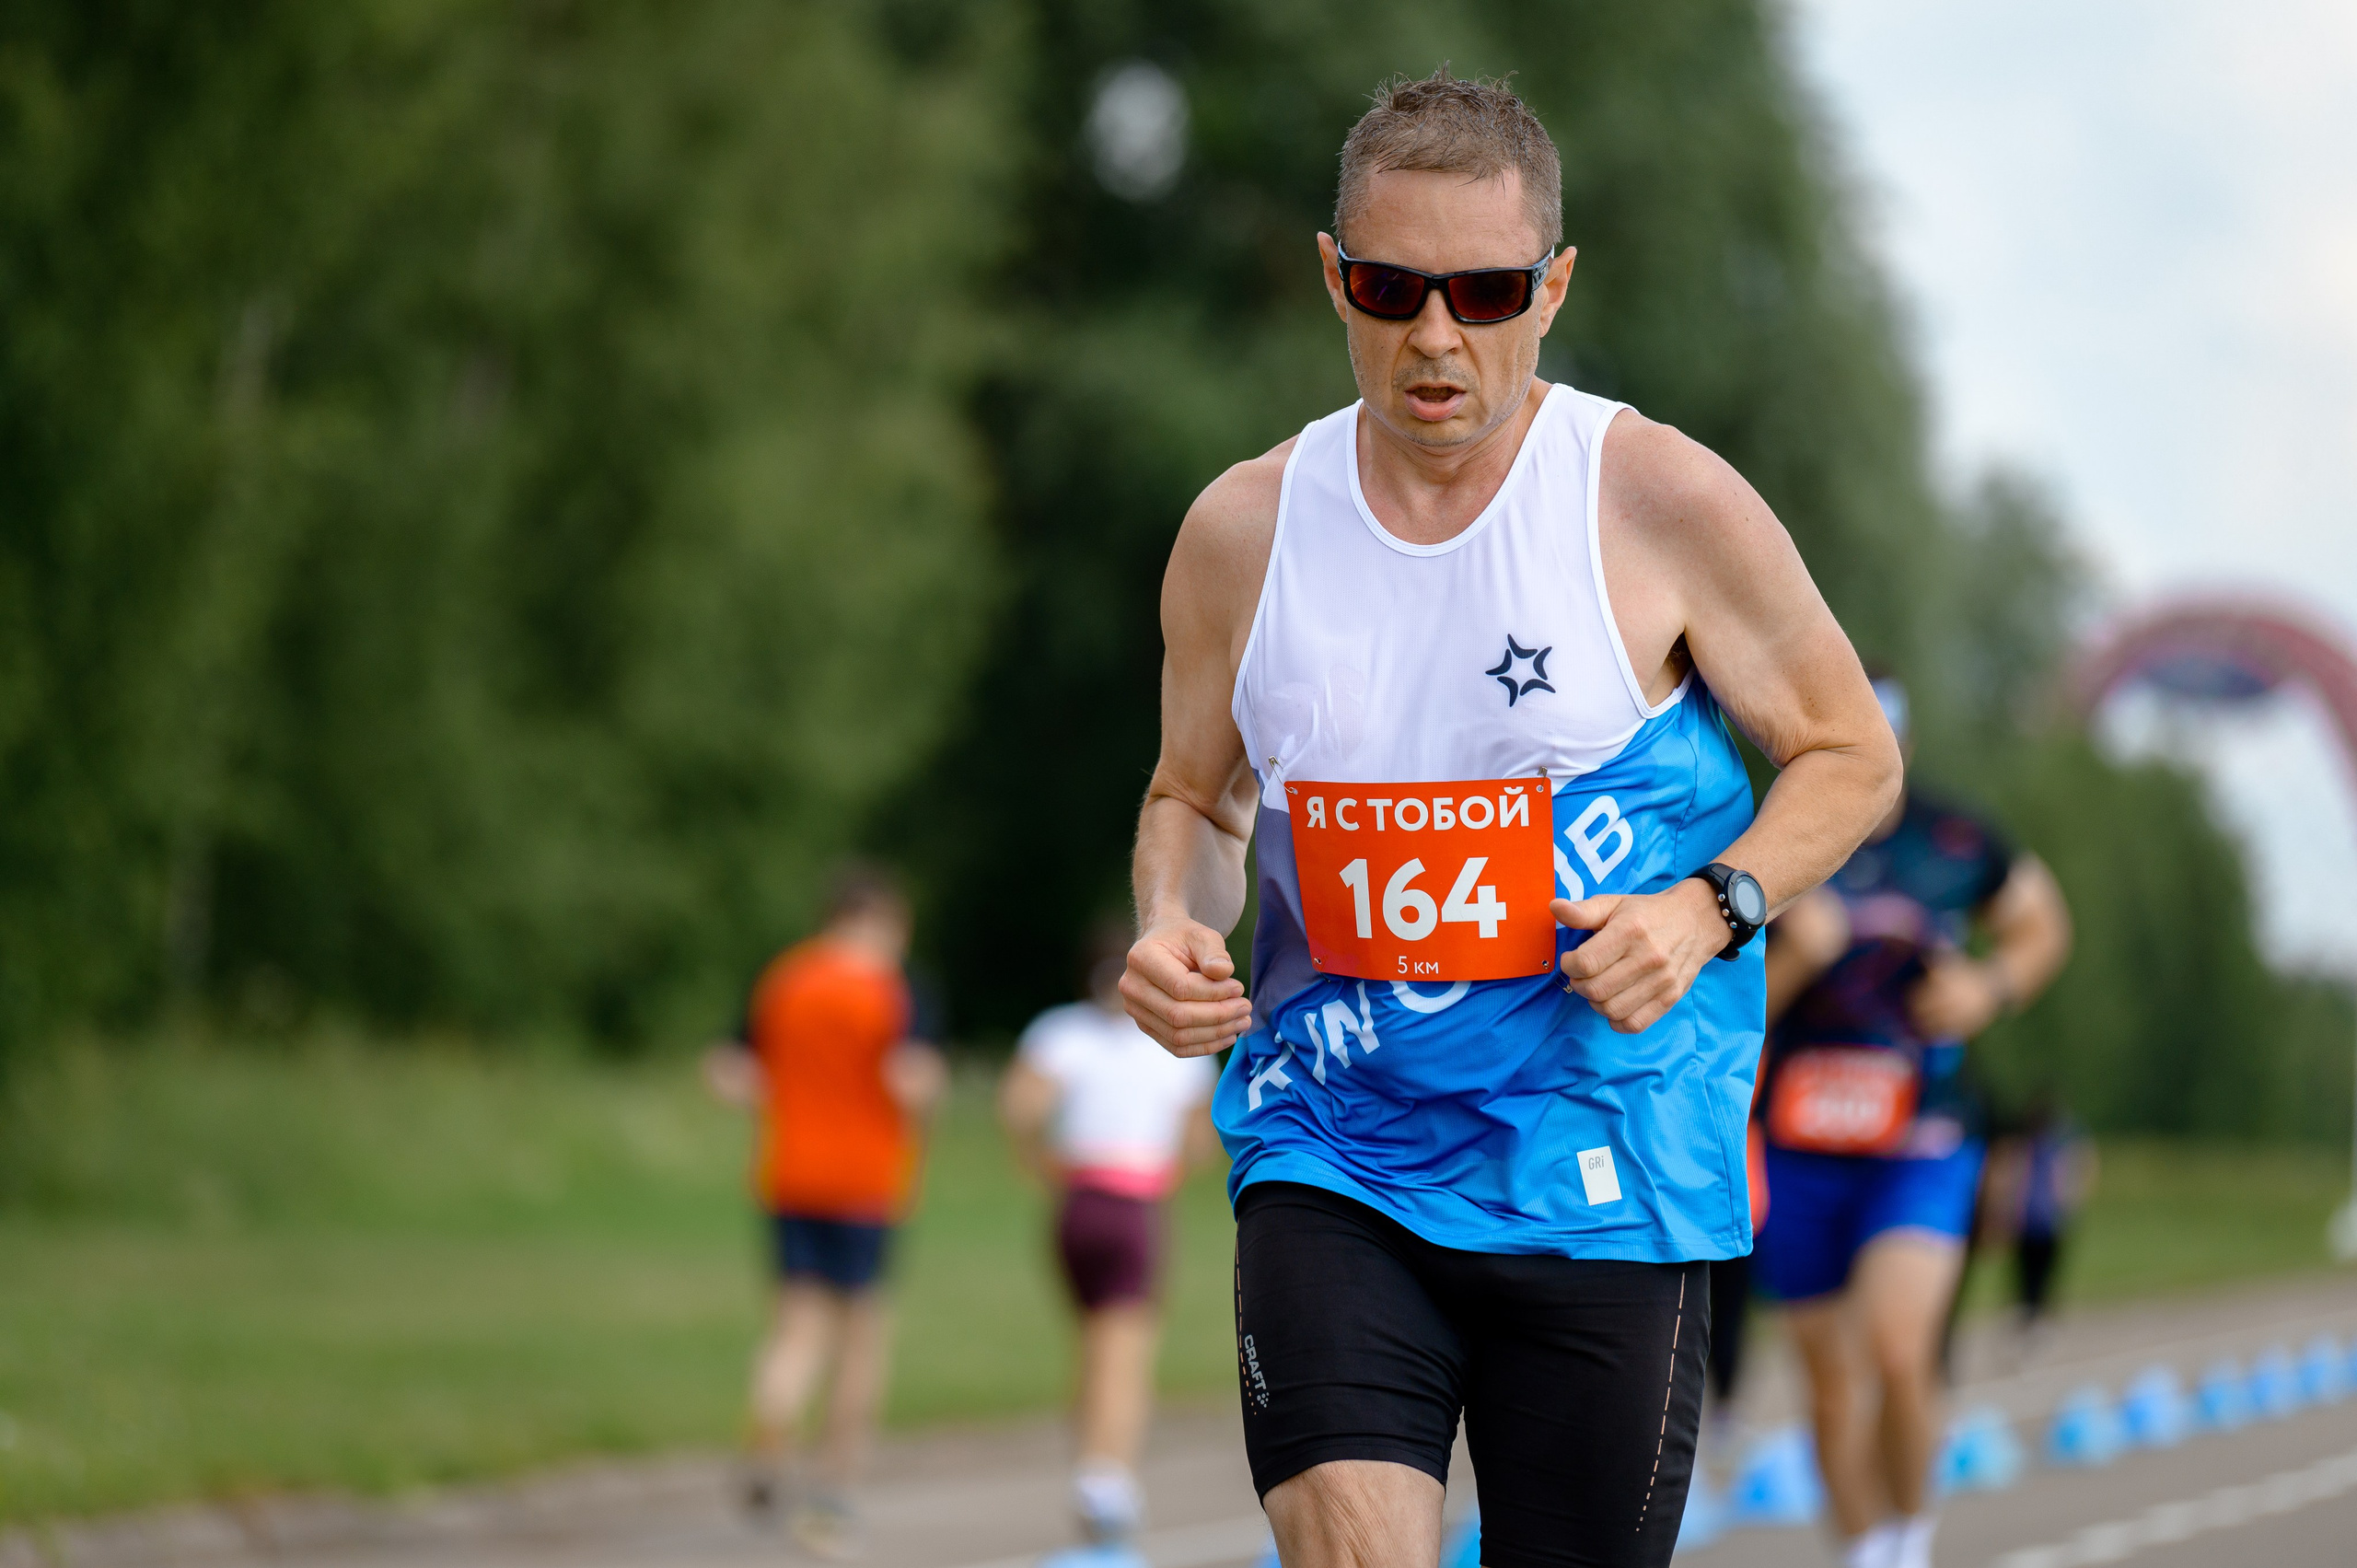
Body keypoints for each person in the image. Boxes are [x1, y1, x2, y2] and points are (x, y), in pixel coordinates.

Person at [1118, 69, 1903, 1568]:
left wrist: (1706, 907)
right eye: (1390, 284)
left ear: (1552, 288)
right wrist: (1171, 918)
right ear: (1331, 276)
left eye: (1481, 291)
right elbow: (1192, 794)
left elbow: (1850, 755)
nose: (1434, 335)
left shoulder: (1654, 498)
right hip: (1335, 1144)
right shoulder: (1241, 532)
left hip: (1602, 1167)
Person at [1753, 676, 2072, 1568]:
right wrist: (1795, 956)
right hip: (1800, 1142)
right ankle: (1865, 1551)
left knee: (1897, 1349)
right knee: (1826, 1388)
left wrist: (1987, 986)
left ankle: (1909, 1538)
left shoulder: (1957, 839)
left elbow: (2041, 925)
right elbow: (1720, 1015)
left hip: (1920, 1135)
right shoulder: (1769, 839)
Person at [702, 863, 948, 1559]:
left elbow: (730, 1069)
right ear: (885, 922)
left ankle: (773, 1420)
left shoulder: (785, 979)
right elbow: (916, 1080)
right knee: (861, 1339)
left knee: (796, 1325)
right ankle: (833, 1495)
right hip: (866, 1183)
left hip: (789, 1176)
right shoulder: (895, 990)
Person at [1000, 924, 1221, 1566]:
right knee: (1125, 1352)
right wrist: (1173, 1167)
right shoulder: (1172, 1042)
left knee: (1091, 1342)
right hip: (1135, 1202)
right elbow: (1200, 1137)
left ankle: (1092, 1467)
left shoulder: (1057, 1033)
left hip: (1076, 1199)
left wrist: (1038, 1162)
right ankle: (1107, 1479)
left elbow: (1020, 1106)